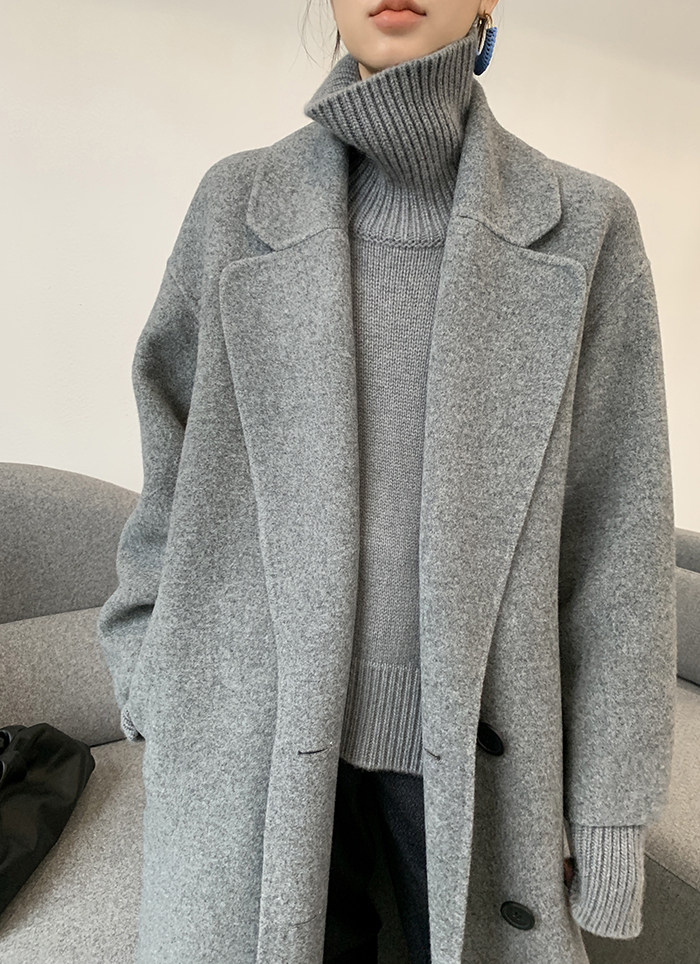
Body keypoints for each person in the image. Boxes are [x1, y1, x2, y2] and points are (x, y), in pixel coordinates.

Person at [97, 2, 676, 962]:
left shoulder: (586, 228)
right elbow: (170, 465)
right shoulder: (234, 204)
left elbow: (620, 544)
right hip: (248, 746)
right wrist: (150, 676)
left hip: (479, 766)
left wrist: (607, 811)